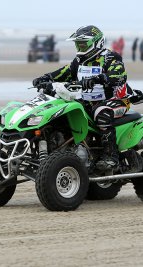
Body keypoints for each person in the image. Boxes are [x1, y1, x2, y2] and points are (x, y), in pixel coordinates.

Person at [32, 25, 130, 170]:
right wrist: (46, 77)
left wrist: (98, 78)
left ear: (97, 42)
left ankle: (111, 157)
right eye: (78, 44)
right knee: (65, 112)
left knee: (100, 114)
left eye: (83, 44)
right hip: (88, 101)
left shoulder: (110, 57)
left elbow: (119, 76)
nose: (80, 47)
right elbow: (64, 72)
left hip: (115, 100)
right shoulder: (79, 61)